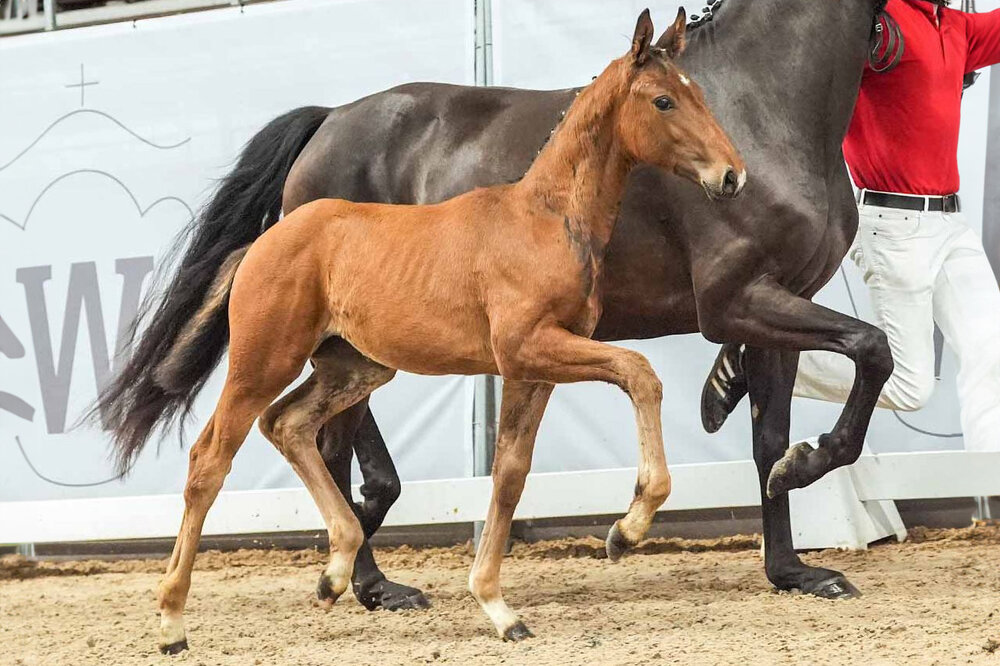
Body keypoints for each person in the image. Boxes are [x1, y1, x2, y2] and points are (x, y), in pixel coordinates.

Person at [702, 0, 1000, 454]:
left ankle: (991, 477)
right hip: (895, 226)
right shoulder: (876, 19)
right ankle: (764, 357)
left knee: (992, 351)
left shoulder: (955, 26)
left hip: (950, 226)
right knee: (910, 387)